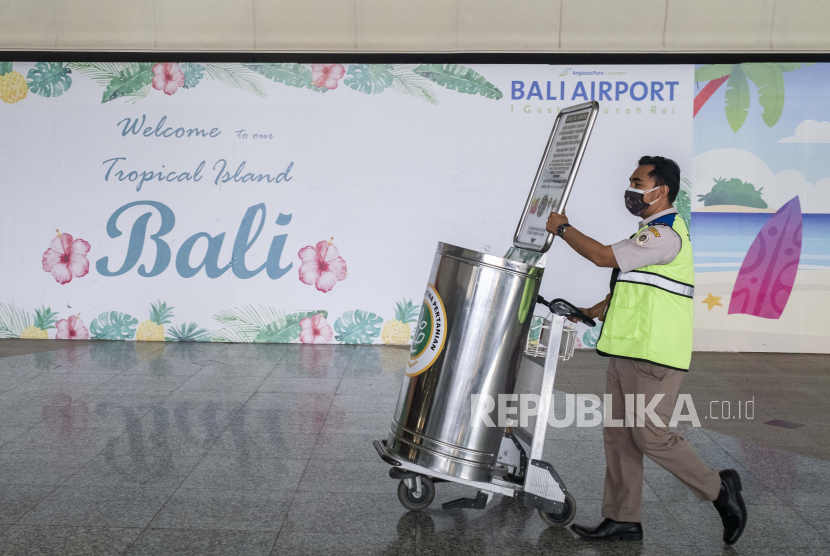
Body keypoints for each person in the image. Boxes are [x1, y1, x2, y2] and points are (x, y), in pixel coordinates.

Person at [545, 156, 747, 545]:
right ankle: (622, 519)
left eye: (638, 183)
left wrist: (563, 228)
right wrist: (593, 310)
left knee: (651, 436)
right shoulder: (647, 233)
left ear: (661, 190)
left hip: (654, 354)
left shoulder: (664, 234)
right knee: (619, 436)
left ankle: (720, 491)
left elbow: (604, 256)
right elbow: (629, 282)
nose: (632, 190)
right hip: (628, 350)